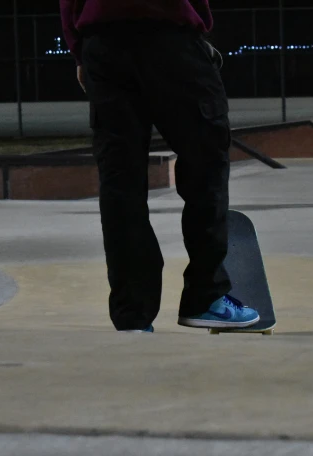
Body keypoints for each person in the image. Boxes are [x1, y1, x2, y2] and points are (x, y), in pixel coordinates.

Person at [59, 0, 259, 333]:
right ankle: (204, 297)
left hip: (103, 43)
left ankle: (133, 315)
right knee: (206, 162)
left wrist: (80, 50)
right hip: (168, 32)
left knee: (120, 181)